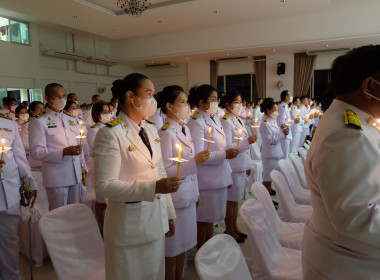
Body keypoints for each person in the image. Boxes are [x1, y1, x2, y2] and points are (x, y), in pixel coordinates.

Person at [92, 73, 181, 280]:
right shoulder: (110, 134)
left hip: (155, 220)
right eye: (148, 94)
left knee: (155, 274)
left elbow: (159, 171)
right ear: (131, 96)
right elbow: (104, 185)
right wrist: (153, 188)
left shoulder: (150, 129)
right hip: (129, 226)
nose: (153, 100)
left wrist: (169, 213)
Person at [302, 45, 380, 280]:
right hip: (350, 266)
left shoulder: (356, 122)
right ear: (369, 86)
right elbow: (357, 218)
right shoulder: (347, 133)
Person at [158, 85, 210, 280]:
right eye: (182, 102)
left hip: (188, 194)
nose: (187, 106)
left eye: (187, 102)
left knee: (184, 245)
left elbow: (189, 168)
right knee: (172, 249)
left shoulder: (184, 128)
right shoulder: (166, 133)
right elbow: (165, 171)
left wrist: (196, 192)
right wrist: (193, 162)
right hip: (176, 198)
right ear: (170, 106)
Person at [187, 84, 236, 249]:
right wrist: (225, 155)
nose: (216, 103)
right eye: (213, 100)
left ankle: (209, 250)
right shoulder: (196, 123)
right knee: (203, 220)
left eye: (217, 100)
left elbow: (220, 146)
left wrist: (227, 171)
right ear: (202, 102)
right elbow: (201, 155)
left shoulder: (213, 118)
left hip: (218, 176)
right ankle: (202, 252)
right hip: (207, 180)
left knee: (211, 219)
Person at [29, 83, 87, 210]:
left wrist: (84, 168)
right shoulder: (39, 121)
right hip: (57, 177)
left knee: (75, 211)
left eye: (64, 96)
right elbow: (36, 152)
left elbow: (79, 145)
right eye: (57, 96)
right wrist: (62, 152)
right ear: (47, 99)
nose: (62, 99)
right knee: (59, 214)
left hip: (76, 174)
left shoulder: (71, 118)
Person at [0, 112, 37, 280]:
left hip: (9, 193)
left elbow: (19, 156)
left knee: (9, 242)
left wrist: (30, 182)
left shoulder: (7, 123)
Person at [220, 91, 257, 243]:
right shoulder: (226, 121)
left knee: (236, 200)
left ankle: (234, 226)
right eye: (236, 102)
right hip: (233, 165)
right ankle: (229, 229)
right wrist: (247, 142)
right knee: (231, 201)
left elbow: (243, 145)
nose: (240, 105)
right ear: (228, 104)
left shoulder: (238, 119)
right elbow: (228, 145)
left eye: (241, 102)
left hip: (241, 163)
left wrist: (247, 163)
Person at [259, 98, 289, 196]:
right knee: (267, 178)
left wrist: (282, 131)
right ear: (268, 110)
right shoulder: (265, 123)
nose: (277, 113)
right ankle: (264, 198)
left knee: (271, 176)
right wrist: (283, 133)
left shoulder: (272, 120)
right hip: (269, 155)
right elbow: (269, 139)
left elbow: (276, 133)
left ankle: (269, 192)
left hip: (275, 152)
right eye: (275, 110)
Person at [20, 101, 45, 171]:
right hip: (35, 160)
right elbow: (24, 143)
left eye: (43, 108)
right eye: (39, 109)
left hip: (47, 157)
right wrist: (38, 147)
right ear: (31, 111)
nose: (42, 111)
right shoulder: (26, 125)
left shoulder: (47, 124)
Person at [277, 90, 293, 158]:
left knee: (286, 153)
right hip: (284, 133)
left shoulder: (285, 106)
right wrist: (284, 131)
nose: (291, 97)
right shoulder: (282, 107)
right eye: (290, 96)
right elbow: (280, 121)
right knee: (284, 155)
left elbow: (287, 120)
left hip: (286, 131)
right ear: (286, 97)